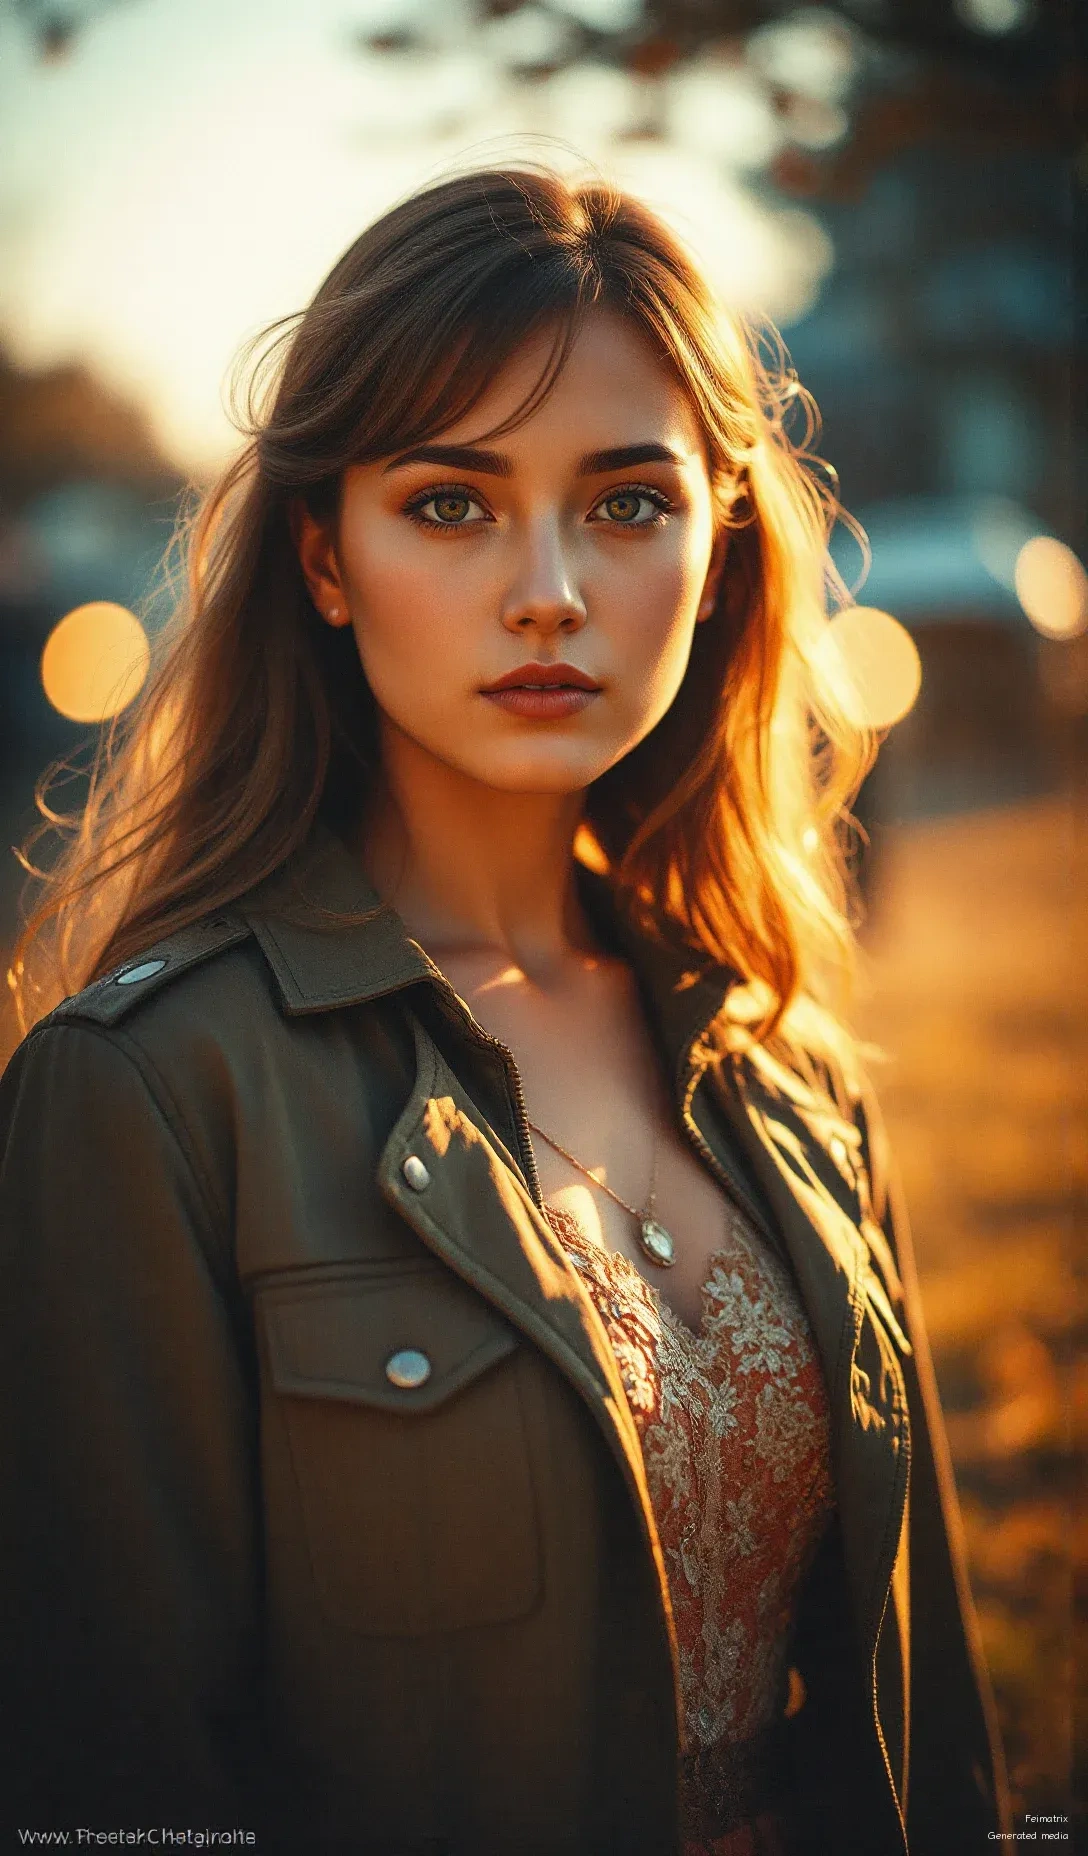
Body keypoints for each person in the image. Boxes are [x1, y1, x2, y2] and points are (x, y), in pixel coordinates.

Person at [0, 166, 1010, 1856]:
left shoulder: (788, 1064)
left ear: (719, 546)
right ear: (325, 559)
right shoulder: (151, 1094)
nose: (549, 588)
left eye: (627, 502)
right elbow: (112, 1775)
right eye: (452, 504)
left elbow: (939, 1728)